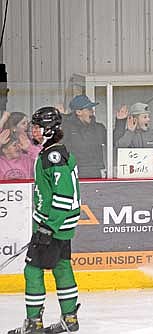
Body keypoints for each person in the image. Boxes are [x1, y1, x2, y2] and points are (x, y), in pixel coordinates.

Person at [9, 107, 81, 334]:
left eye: (38, 127)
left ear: (50, 130)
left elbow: (64, 194)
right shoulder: (53, 151)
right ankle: (69, 319)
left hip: (53, 224)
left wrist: (48, 227)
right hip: (62, 225)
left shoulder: (53, 156)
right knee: (61, 266)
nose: (34, 130)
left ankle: (33, 323)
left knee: (32, 270)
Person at [62, 94, 106, 178]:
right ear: (78, 112)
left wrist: (120, 122)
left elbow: (114, 142)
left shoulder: (99, 128)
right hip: (75, 172)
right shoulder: (67, 128)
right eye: (89, 109)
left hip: (96, 173)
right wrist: (63, 119)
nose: (92, 111)